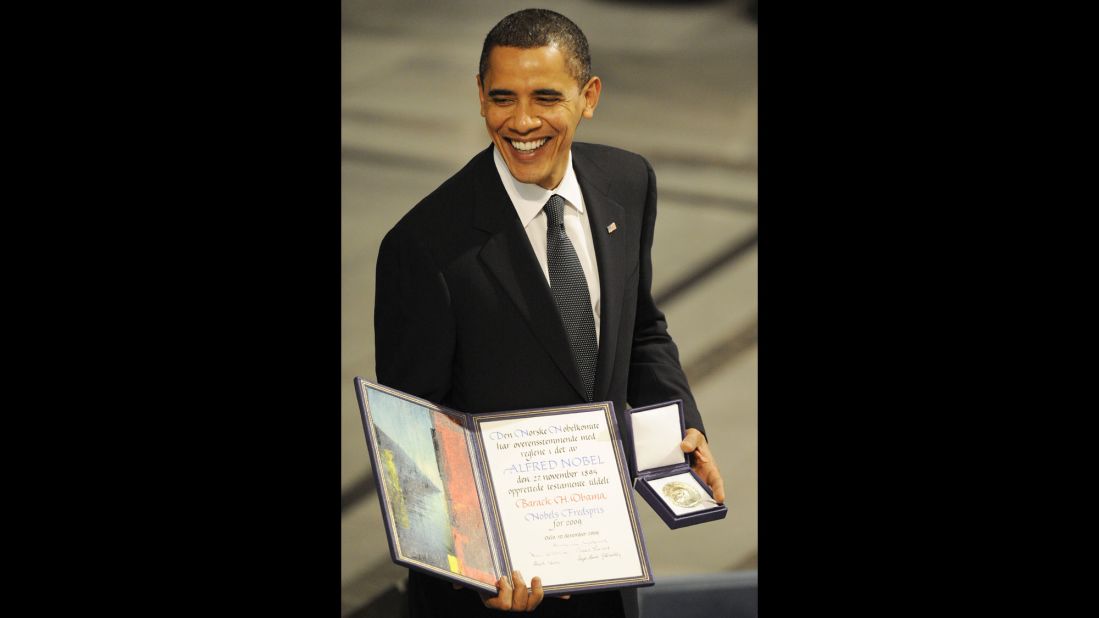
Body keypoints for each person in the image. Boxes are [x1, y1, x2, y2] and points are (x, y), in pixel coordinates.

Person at [373, 8, 725, 617]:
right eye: (502, 98)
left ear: (589, 97)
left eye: (546, 97)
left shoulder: (628, 181)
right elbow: (417, 444)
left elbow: (641, 330)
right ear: (479, 97)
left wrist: (682, 430)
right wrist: (477, 565)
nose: (523, 121)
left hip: (606, 574)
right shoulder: (424, 246)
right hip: (495, 595)